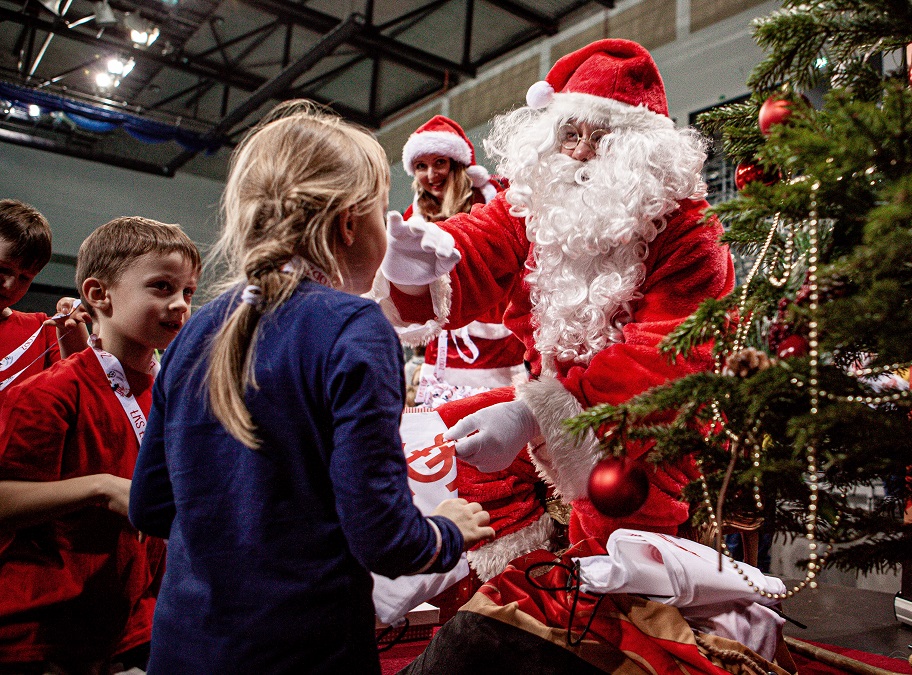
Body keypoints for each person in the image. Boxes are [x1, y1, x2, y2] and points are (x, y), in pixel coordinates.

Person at [127, 101, 493, 674]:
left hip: (183, 646)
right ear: (349, 222)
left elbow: (149, 506)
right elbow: (385, 539)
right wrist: (449, 530)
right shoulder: (354, 328)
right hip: (302, 650)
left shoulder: (197, 328)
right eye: (379, 214)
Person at [379, 39, 736, 577]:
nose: (583, 152)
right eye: (571, 134)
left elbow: (664, 363)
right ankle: (516, 578)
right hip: (551, 398)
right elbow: (480, 245)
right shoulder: (540, 201)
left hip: (648, 425)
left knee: (619, 527)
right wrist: (418, 267)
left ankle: (606, 606)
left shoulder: (690, 231)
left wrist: (531, 415)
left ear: (645, 151)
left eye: (604, 136)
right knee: (433, 446)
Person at [0, 216, 200, 672]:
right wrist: (102, 487)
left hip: (136, 622)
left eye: (188, 291)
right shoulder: (47, 393)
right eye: (162, 287)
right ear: (98, 295)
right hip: (45, 635)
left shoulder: (182, 392)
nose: (180, 305)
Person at [373, 115, 525, 408]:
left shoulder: (492, 199)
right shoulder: (411, 218)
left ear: (456, 164)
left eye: (439, 162)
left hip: (496, 347)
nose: (431, 174)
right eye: (421, 166)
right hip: (441, 352)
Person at [0, 200, 89, 398]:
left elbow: (85, 388)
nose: (10, 285)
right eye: (3, 269)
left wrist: (72, 330)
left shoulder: (42, 330)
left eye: (25, 277)